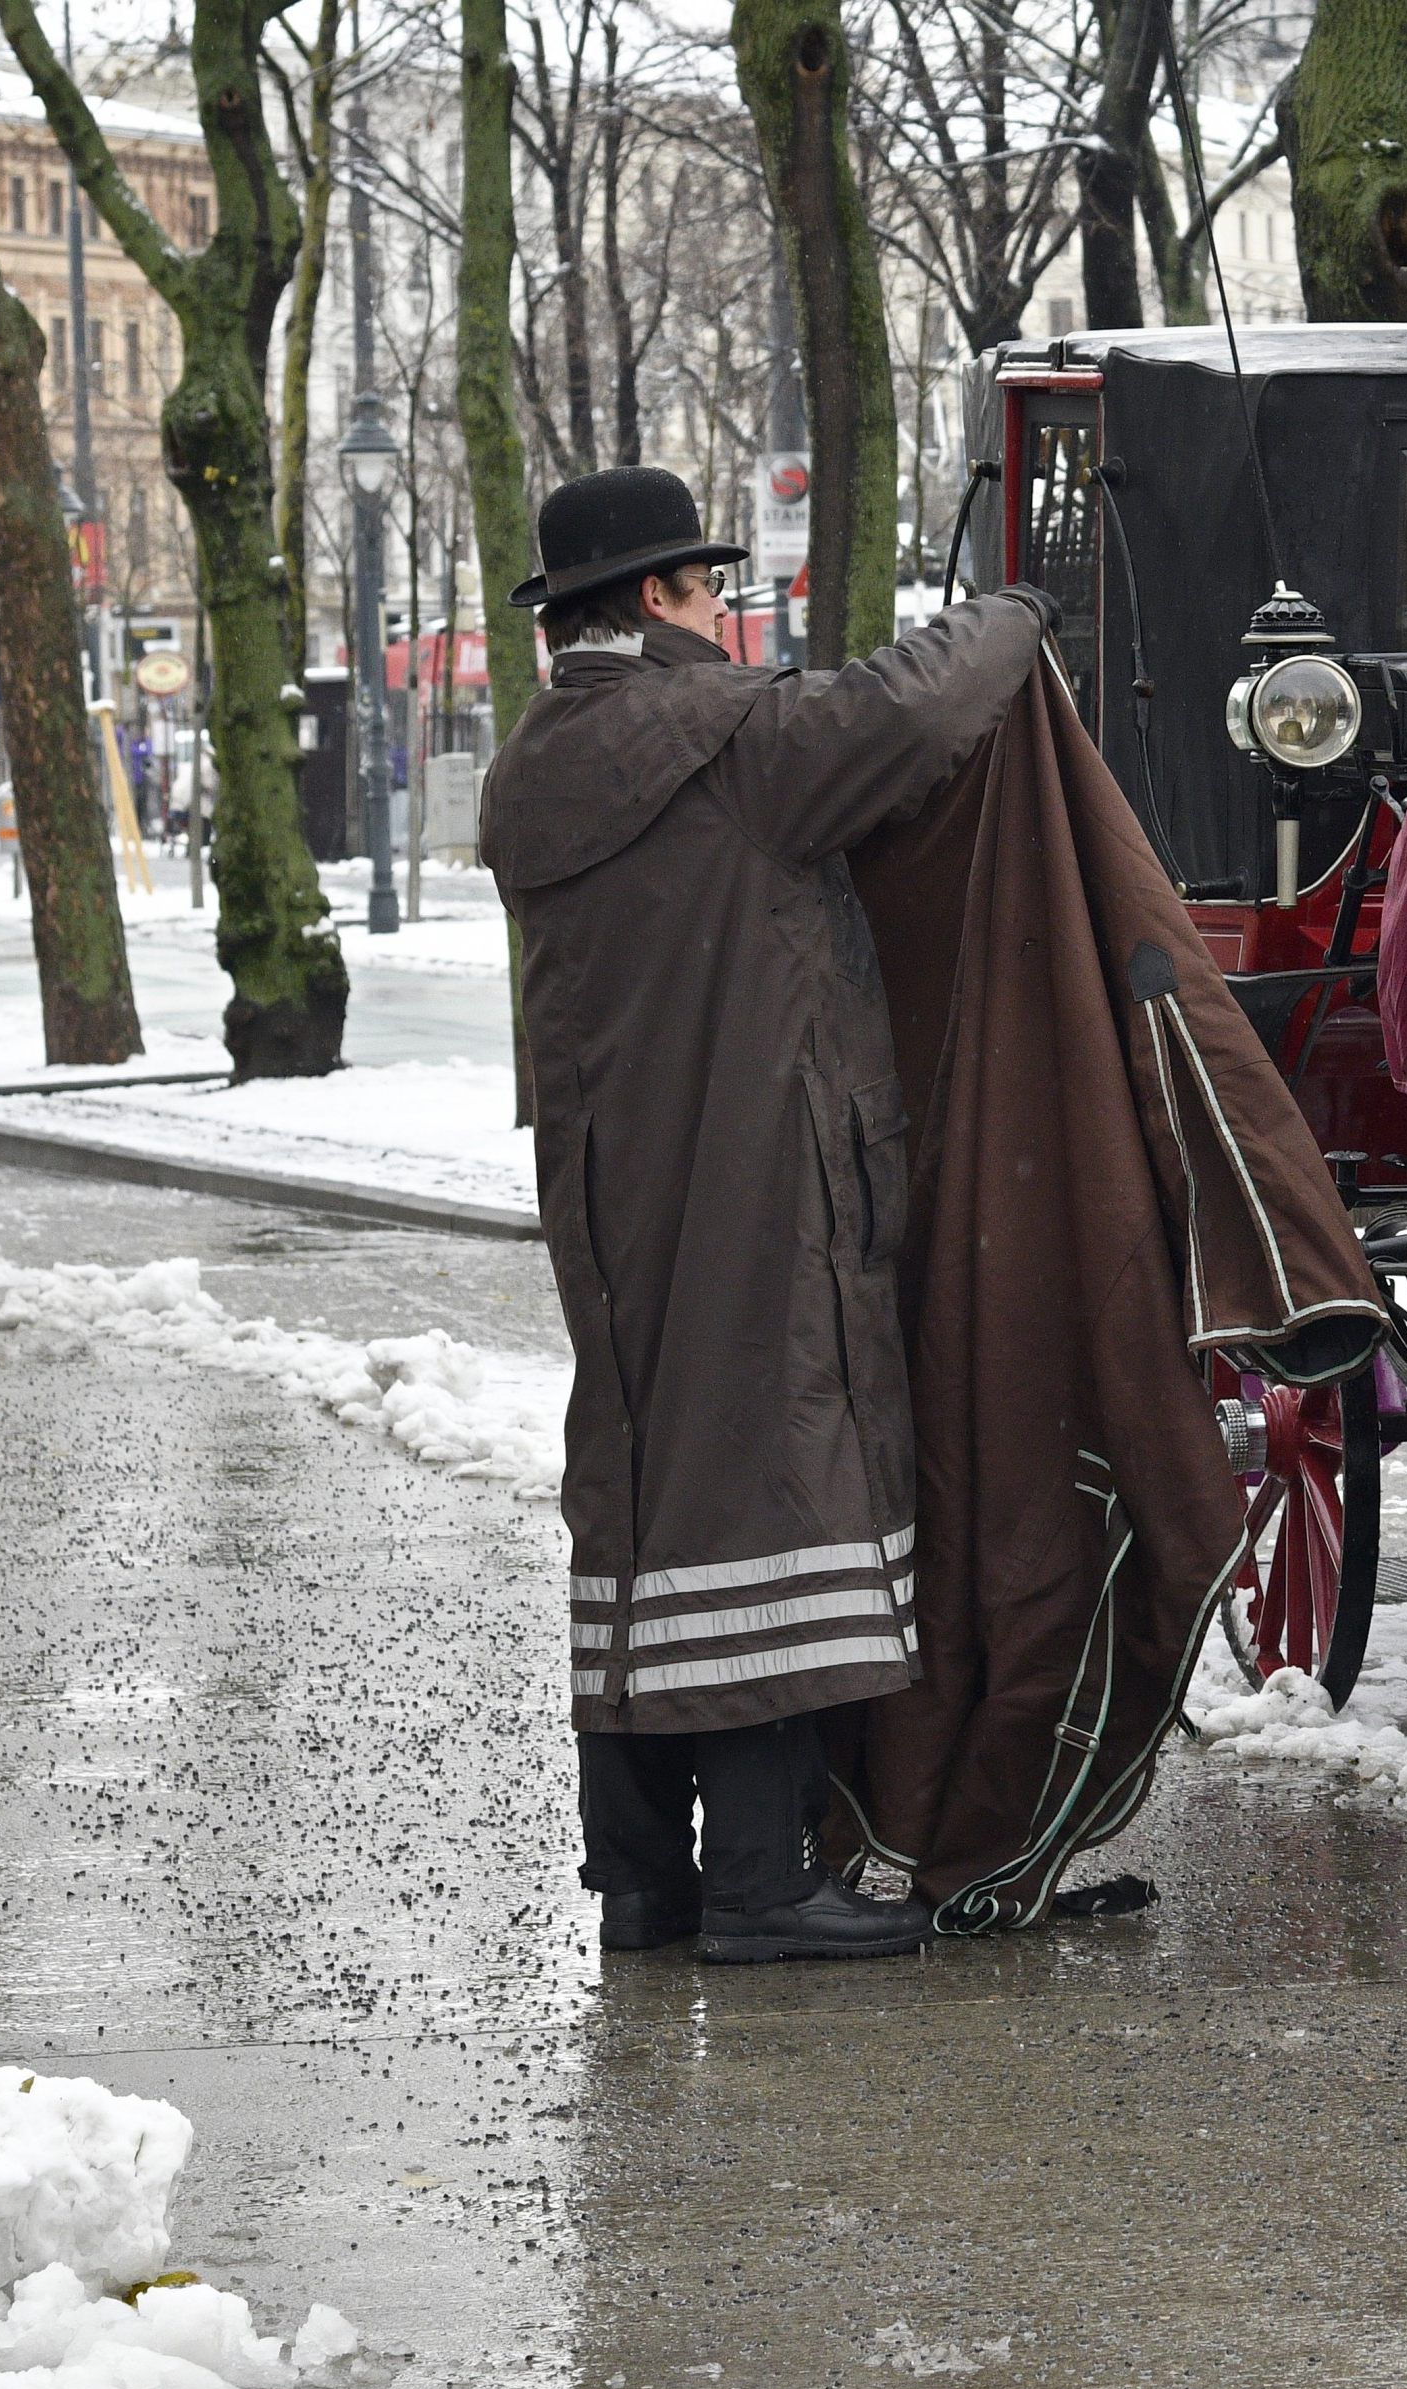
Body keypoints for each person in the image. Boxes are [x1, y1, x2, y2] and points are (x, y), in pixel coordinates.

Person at [479, 465, 1053, 1964]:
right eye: (710, 592)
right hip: (754, 1169)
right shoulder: (726, 740)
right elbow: (914, 712)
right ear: (663, 601)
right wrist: (1019, 607)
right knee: (769, 1483)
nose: (729, 617)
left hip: (611, 1188)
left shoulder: (540, 762)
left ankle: (640, 1880)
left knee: (641, 1490)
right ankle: (753, 1876)